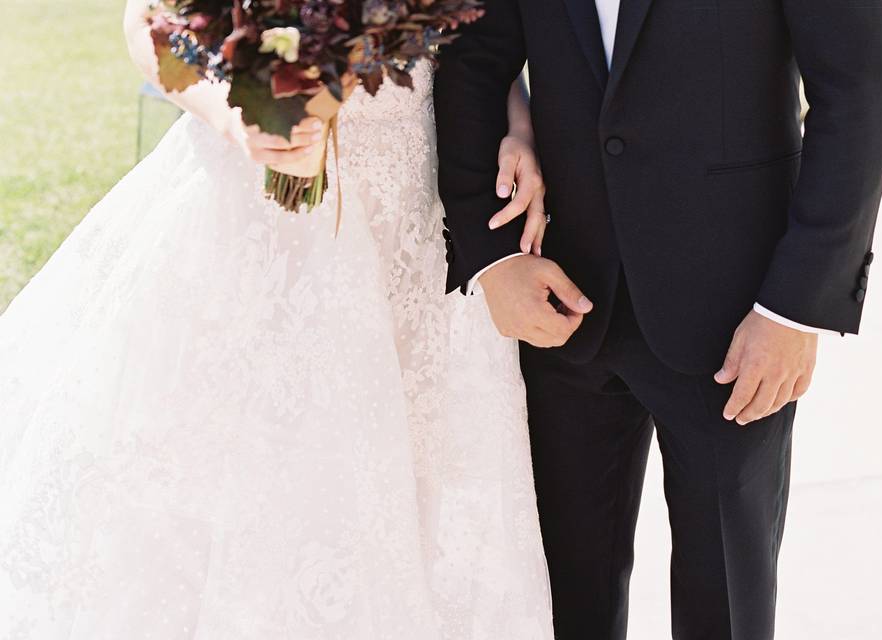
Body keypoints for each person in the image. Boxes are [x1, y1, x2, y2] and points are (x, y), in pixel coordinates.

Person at [0, 2, 555, 638]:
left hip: (415, 216)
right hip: (252, 213)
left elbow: (476, 37)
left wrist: (519, 127)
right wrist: (237, 118)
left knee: (416, 489)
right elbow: (148, 24)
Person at [434, 1, 882, 639]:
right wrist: (493, 257)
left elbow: (857, 95)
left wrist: (795, 307)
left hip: (738, 317)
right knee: (559, 605)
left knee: (726, 604)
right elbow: (471, 56)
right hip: (561, 299)